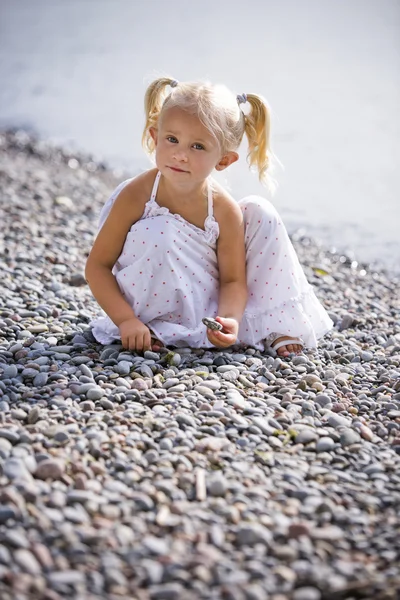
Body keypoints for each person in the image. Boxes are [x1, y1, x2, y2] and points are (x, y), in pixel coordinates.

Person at [85, 77, 332, 357]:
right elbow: (98, 266)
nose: (180, 155)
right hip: (148, 304)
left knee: (261, 211)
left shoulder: (223, 210)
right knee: (161, 229)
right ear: (155, 138)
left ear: (224, 160)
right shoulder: (137, 194)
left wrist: (229, 319)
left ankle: (268, 324)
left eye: (198, 146)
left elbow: (232, 280)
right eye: (172, 139)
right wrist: (125, 320)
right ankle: (155, 325)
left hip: (203, 301)